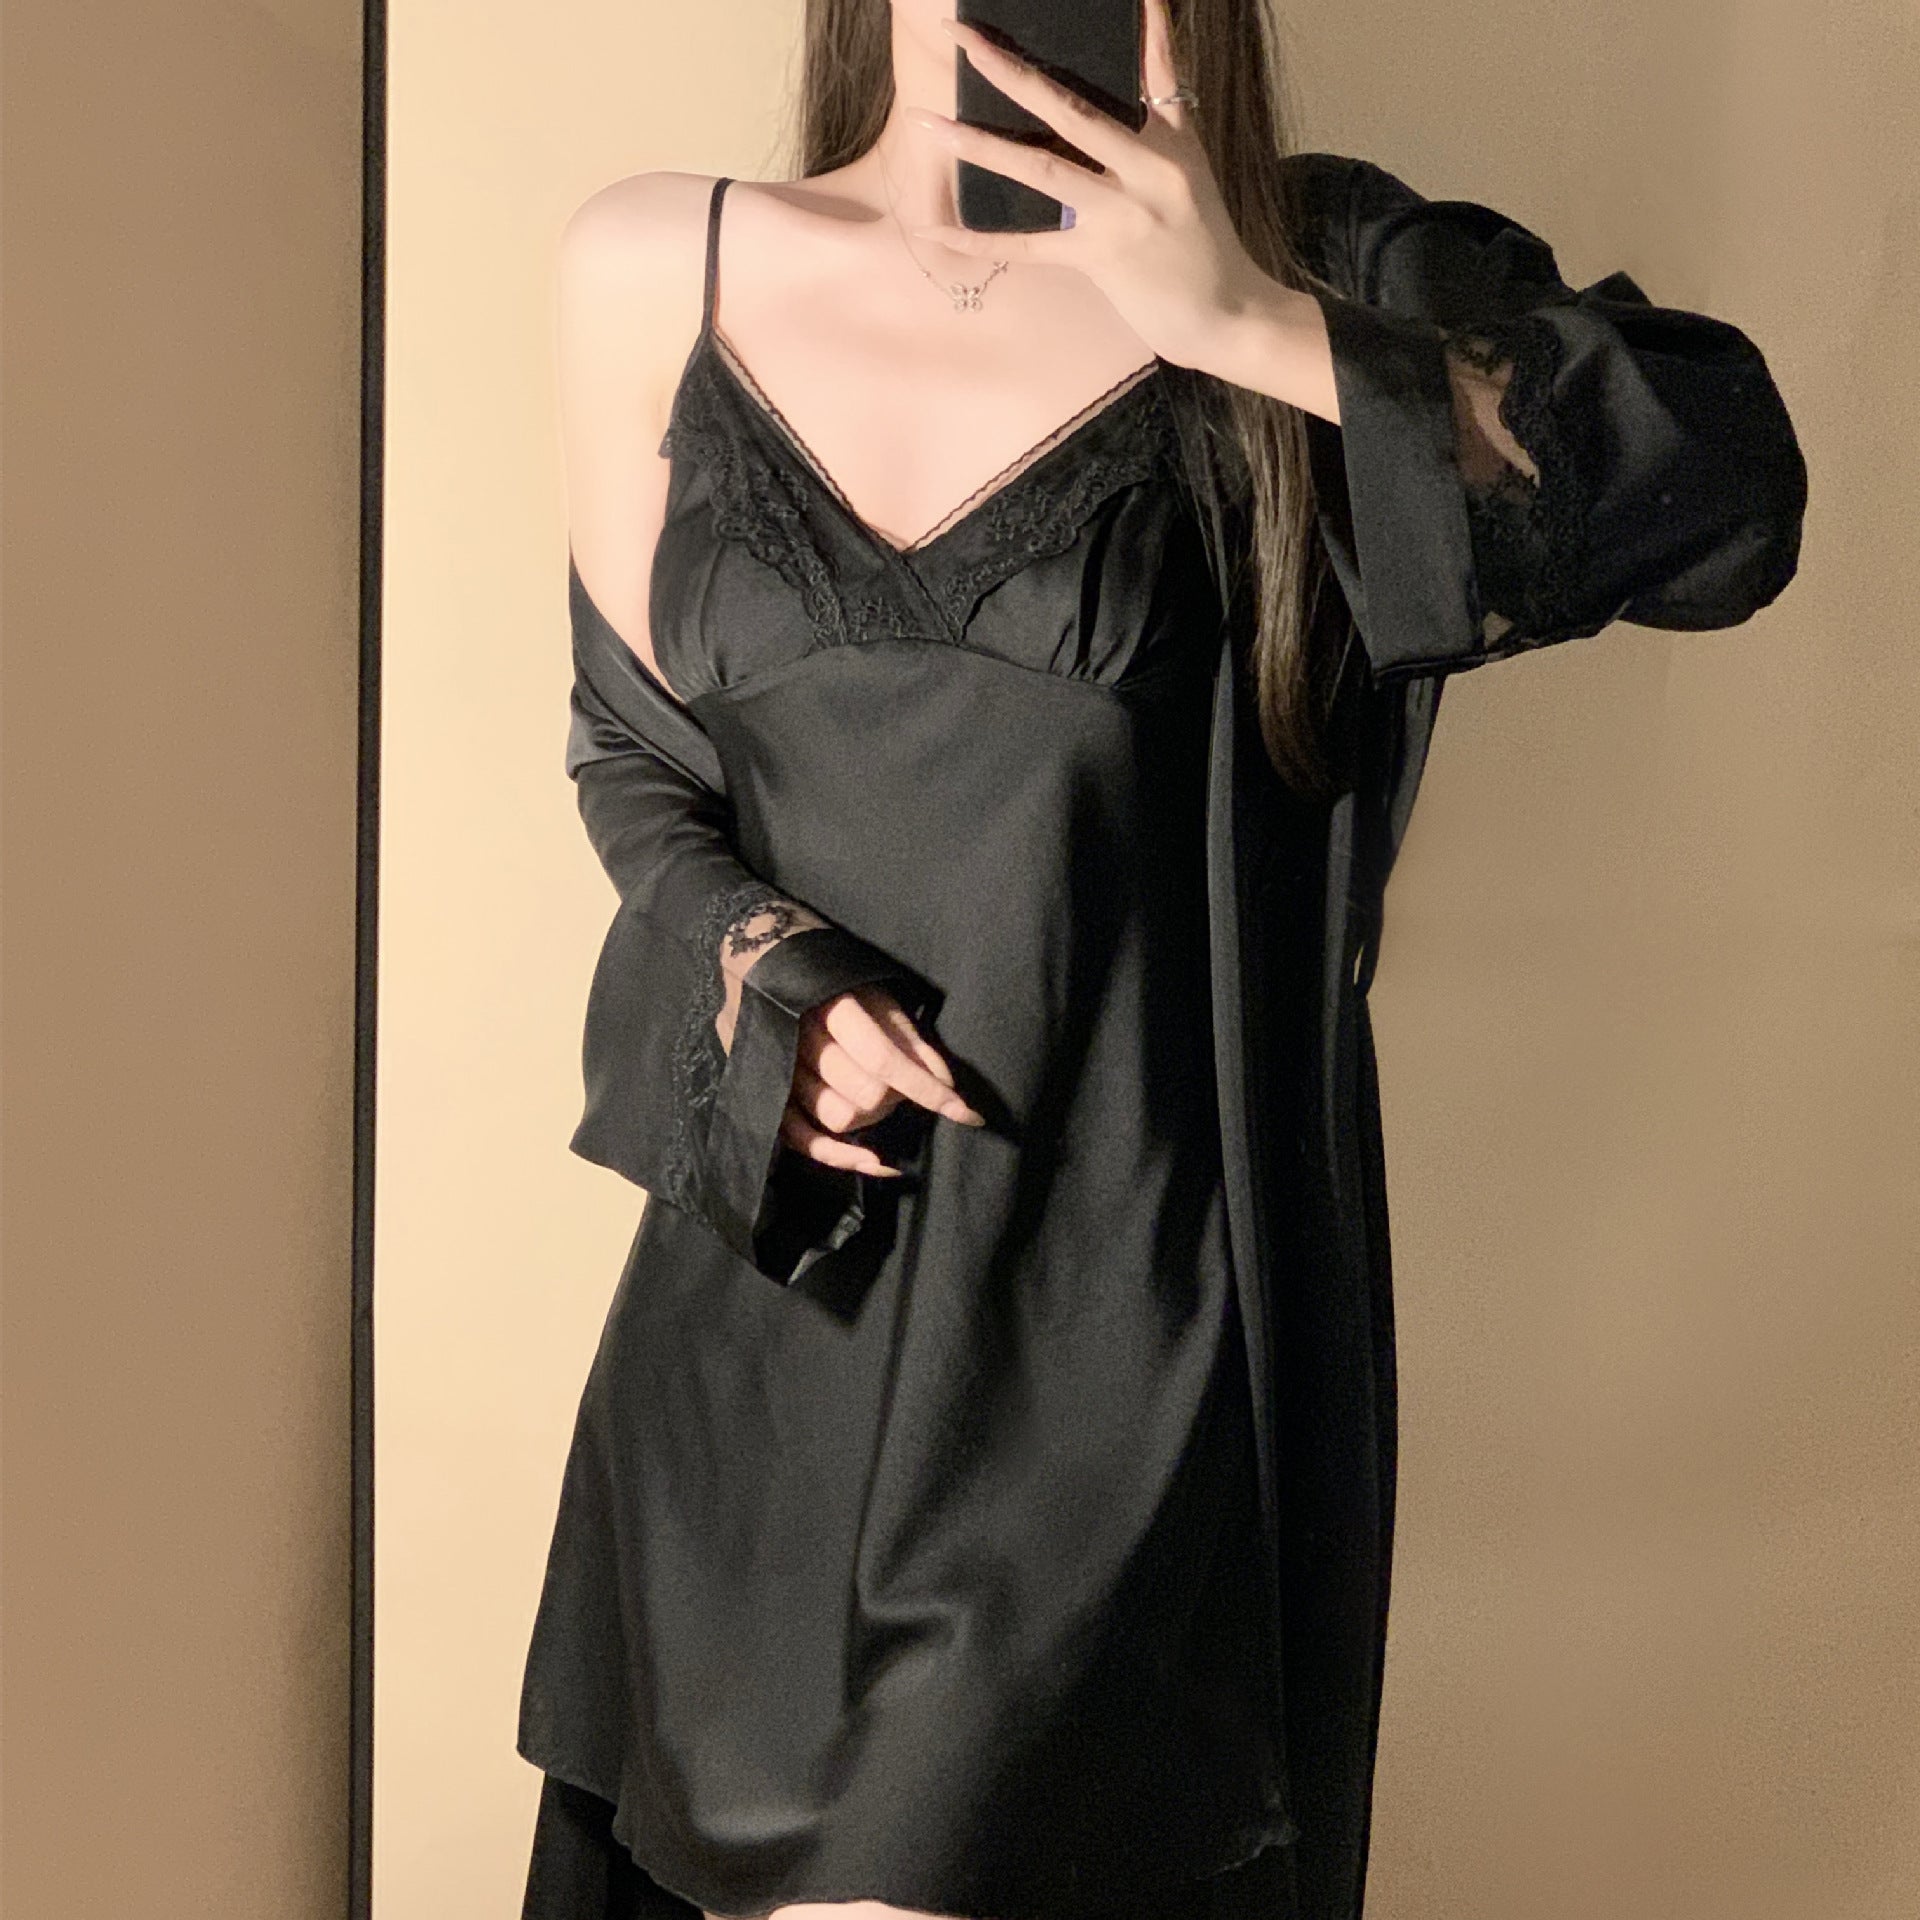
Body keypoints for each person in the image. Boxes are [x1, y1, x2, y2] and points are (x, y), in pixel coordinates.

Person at [516, 3, 1807, 1918]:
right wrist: (766, 971)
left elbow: (1730, 493)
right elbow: (637, 758)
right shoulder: (659, 263)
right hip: (767, 1344)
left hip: (1118, 1352)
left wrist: (1252, 326)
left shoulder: (1313, 260)